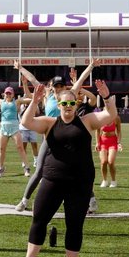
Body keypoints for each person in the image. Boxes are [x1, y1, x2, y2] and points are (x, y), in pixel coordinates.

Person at [8, 78, 117, 257]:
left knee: (74, 224)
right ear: (58, 105)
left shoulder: (87, 121)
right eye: (64, 103)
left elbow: (111, 115)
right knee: (39, 220)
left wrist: (106, 97)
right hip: (52, 180)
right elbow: (26, 122)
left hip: (80, 183)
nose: (68, 107)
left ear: (76, 104)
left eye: (71, 103)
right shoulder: (50, 123)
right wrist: (35, 101)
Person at [13, 64, 94, 213]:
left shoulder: (69, 95)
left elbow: (81, 80)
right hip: (49, 140)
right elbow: (33, 79)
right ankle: (24, 200)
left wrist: (90, 66)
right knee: (39, 172)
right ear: (51, 86)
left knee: (77, 170)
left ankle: (91, 199)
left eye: (61, 86)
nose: (58, 89)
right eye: (56, 86)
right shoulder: (46, 95)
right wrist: (20, 68)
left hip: (68, 140)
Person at [97, 117, 121, 188]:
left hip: (113, 142)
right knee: (104, 161)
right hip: (103, 142)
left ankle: (113, 181)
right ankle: (104, 180)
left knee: (110, 162)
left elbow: (119, 131)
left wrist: (118, 142)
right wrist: (97, 143)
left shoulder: (116, 118)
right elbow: (97, 131)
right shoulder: (100, 118)